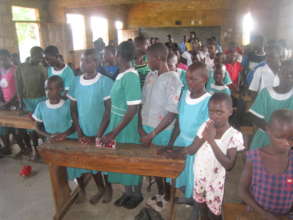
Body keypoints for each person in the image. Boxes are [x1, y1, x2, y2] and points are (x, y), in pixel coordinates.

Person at [161, 93, 244, 219]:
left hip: (217, 184)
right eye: (211, 111)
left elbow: (229, 165)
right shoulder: (206, 125)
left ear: (230, 112)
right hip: (200, 178)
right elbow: (193, 149)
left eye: (220, 112)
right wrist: (175, 153)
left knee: (215, 214)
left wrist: (210, 141)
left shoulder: (234, 135)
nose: (214, 116)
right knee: (201, 208)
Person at [139, 43, 183, 211]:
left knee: (165, 167)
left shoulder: (173, 79)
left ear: (158, 58)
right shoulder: (150, 75)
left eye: (148, 58)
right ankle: (161, 192)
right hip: (147, 128)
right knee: (154, 167)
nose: (146, 61)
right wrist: (141, 128)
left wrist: (153, 134)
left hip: (163, 131)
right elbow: (143, 101)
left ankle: (169, 195)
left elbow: (172, 113)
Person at [67, 48, 114, 204]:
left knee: (105, 162)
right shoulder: (75, 81)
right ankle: (100, 188)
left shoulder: (105, 82)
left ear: (97, 62)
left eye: (87, 61)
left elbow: (108, 111)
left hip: (103, 131)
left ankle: (108, 187)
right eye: (82, 60)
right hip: (85, 131)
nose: (83, 64)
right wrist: (80, 132)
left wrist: (99, 135)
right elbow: (73, 109)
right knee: (92, 162)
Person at [101, 41, 143, 209]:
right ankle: (127, 192)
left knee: (131, 160)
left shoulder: (131, 76)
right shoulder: (121, 73)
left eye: (114, 54)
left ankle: (137, 194)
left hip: (126, 125)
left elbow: (133, 109)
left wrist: (113, 132)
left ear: (119, 56)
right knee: (121, 160)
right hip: (117, 122)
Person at [167, 63, 211, 200]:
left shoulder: (208, 100)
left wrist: (192, 147)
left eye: (193, 79)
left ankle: (196, 203)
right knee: (182, 174)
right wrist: (171, 143)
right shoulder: (185, 94)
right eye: (187, 78)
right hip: (182, 140)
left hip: (198, 145)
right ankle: (188, 197)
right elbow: (179, 122)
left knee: (196, 177)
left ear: (204, 80)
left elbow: (206, 130)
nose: (189, 82)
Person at [239, 109, 293, 219]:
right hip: (257, 214)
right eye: (279, 137)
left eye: (291, 138)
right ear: (268, 130)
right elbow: (242, 190)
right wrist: (264, 214)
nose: (286, 143)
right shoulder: (254, 158)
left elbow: (289, 187)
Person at [248, 60, 293, 150]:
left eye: (292, 73)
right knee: (258, 162)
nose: (289, 76)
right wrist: (273, 132)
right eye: (285, 72)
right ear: (279, 72)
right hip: (266, 136)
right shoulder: (266, 93)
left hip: (287, 140)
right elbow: (254, 116)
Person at [15, 46, 47, 158]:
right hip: (27, 100)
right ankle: (36, 150)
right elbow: (18, 86)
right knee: (31, 128)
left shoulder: (42, 68)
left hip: (41, 99)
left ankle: (45, 149)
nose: (41, 59)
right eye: (39, 57)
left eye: (42, 57)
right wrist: (20, 102)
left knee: (42, 125)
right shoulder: (21, 68)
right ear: (33, 55)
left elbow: (45, 85)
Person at [32, 75, 75, 142]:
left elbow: (75, 125)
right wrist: (48, 135)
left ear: (60, 89)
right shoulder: (40, 106)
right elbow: (37, 127)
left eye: (51, 89)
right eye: (46, 89)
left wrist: (64, 135)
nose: (47, 92)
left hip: (68, 138)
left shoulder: (68, 105)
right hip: (51, 139)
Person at [0, 49, 17, 155]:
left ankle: (25, 148)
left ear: (9, 58)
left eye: (4, 59)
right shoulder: (0, 70)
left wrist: (10, 103)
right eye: (0, 60)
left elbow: (19, 90)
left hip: (15, 103)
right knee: (2, 126)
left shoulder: (15, 70)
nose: (2, 62)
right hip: (4, 103)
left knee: (18, 127)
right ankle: (7, 147)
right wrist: (2, 102)